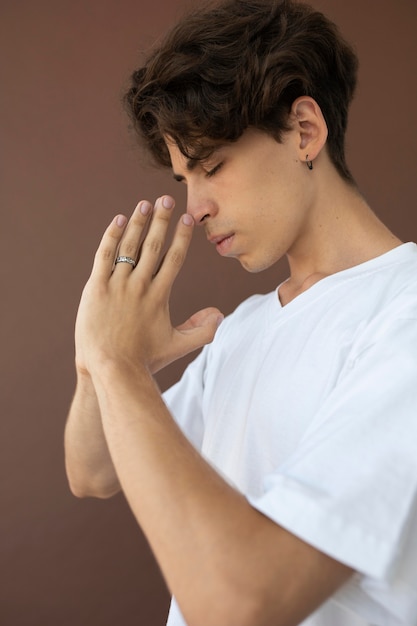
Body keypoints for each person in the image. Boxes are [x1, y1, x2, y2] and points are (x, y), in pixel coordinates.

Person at [64, 0, 417, 624]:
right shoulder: (244, 329)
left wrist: (118, 364)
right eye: (183, 180)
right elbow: (91, 468)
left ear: (304, 130)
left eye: (213, 167)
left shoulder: (402, 312)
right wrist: (103, 356)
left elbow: (242, 603)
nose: (195, 207)